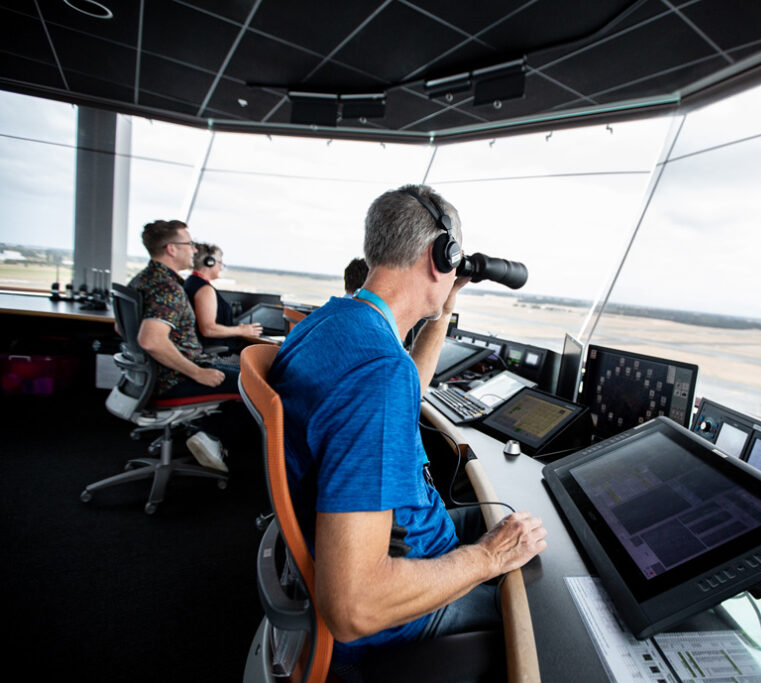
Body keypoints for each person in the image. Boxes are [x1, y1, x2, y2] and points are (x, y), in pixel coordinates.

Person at [270, 185, 547, 671]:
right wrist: (487, 558)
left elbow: (399, 398)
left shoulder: (333, 325)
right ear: (444, 254)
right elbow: (356, 606)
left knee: (509, 525)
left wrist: (443, 311)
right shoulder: (378, 370)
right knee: (543, 617)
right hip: (389, 614)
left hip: (382, 539)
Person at [129, 219, 242, 472]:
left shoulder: (141, 280)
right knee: (254, 385)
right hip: (175, 379)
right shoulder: (167, 288)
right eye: (189, 244)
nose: (193, 250)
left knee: (244, 375)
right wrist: (197, 373)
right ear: (171, 248)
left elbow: (121, 328)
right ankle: (212, 437)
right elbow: (150, 340)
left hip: (150, 378)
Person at [183, 242, 262, 353]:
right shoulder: (205, 290)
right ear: (209, 263)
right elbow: (208, 329)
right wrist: (241, 330)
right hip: (218, 355)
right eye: (220, 262)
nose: (221, 267)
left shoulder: (192, 282)